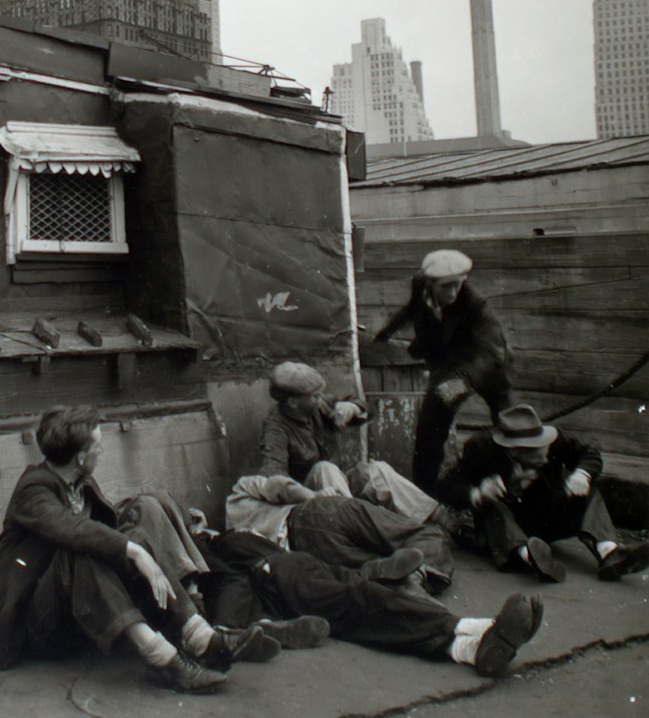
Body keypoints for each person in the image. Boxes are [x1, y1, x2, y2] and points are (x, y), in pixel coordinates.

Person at [0, 405, 279, 692]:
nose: (102, 450)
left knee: (133, 532)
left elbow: (110, 527)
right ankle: (162, 660)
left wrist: (146, 539)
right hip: (37, 624)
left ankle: (201, 638)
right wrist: (134, 552)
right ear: (80, 457)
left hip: (74, 614)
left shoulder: (79, 483)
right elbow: (72, 530)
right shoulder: (33, 489)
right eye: (97, 445)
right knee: (83, 550)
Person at [194, 525, 543, 679]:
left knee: (368, 617)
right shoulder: (210, 551)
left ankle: (467, 649)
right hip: (284, 577)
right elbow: (231, 584)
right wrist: (235, 625)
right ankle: (474, 628)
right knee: (364, 599)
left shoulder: (223, 540)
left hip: (303, 570)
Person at [438, 403, 649, 583]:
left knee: (589, 492)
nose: (546, 453)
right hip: (505, 527)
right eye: (538, 450)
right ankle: (530, 557)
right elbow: (447, 485)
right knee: (491, 504)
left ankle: (610, 554)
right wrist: (478, 493)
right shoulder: (481, 448)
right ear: (515, 451)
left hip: (546, 517)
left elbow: (589, 454)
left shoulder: (554, 440)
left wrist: (582, 474)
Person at [375, 249, 513, 493]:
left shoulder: (476, 304)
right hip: (448, 364)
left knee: (510, 428)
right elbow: (411, 309)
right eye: (446, 287)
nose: (452, 292)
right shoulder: (420, 284)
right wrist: (385, 332)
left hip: (486, 367)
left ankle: (510, 488)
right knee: (428, 432)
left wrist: (462, 383)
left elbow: (493, 354)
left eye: (458, 286)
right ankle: (422, 497)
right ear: (430, 282)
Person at [260, 359, 453, 527]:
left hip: (341, 492)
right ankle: (356, 531)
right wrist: (311, 495)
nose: (321, 399)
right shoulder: (276, 428)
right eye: (315, 396)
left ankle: (443, 521)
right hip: (311, 508)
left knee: (377, 470)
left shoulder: (317, 406)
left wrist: (351, 407)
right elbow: (273, 480)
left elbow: (366, 410)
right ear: (293, 402)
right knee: (324, 468)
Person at [227, 472, 455, 594]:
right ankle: (421, 574)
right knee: (426, 534)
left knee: (376, 566)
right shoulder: (238, 491)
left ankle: (406, 584)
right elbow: (279, 486)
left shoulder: (228, 537)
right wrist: (313, 495)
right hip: (313, 515)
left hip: (305, 556)